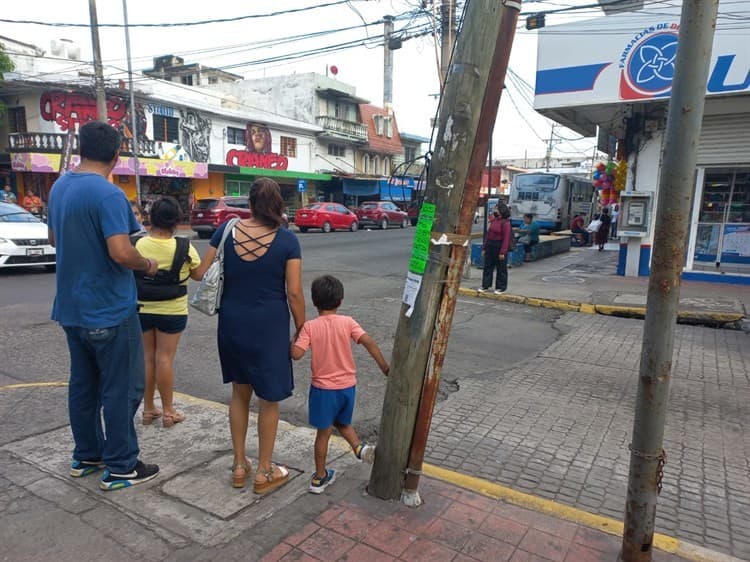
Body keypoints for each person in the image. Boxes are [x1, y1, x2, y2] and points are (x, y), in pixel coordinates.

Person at [47, 121, 160, 491]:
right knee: (123, 388)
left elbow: (53, 237)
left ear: (81, 149)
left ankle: (87, 455)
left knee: (83, 385)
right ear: (116, 155)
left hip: (71, 308)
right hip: (109, 308)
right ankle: (122, 465)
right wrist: (147, 265)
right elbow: (121, 251)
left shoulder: (60, 186)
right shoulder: (108, 195)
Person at [200, 177, 305, 493]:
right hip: (269, 328)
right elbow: (295, 293)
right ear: (277, 204)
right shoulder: (287, 241)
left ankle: (238, 465)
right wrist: (303, 330)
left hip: (232, 324)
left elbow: (201, 272)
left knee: (239, 394)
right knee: (269, 400)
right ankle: (263, 472)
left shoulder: (226, 230)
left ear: (250, 202)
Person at [291, 275, 389, 494]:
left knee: (323, 433)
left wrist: (295, 337)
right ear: (340, 300)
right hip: (347, 387)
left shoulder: (310, 327)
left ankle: (319, 477)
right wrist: (384, 367)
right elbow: (368, 342)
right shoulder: (348, 322)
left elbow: (296, 355)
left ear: (314, 302)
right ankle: (358, 448)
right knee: (342, 421)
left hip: (323, 390)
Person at [134, 197, 208, 428]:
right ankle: (168, 411)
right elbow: (198, 275)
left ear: (151, 218)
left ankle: (148, 409)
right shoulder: (184, 247)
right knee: (164, 358)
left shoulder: (136, 244)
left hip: (141, 307)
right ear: (176, 220)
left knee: (147, 358)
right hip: (172, 310)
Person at [480, 203, 511, 294]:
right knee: (488, 266)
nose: (495, 211)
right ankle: (485, 285)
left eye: (496, 209)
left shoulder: (505, 223)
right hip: (490, 245)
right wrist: (484, 248)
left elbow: (506, 239)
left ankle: (501, 287)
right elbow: (488, 235)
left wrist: (502, 252)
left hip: (499, 245)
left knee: (501, 268)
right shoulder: (494, 221)